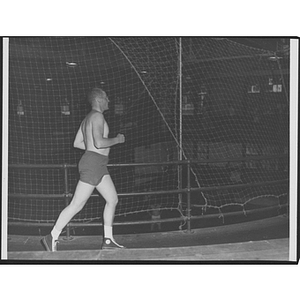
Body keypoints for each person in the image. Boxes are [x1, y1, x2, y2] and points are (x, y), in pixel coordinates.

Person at [41, 88, 125, 251]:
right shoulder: (98, 116)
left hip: (97, 164)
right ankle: (52, 236)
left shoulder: (87, 118)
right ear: (100, 99)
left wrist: (94, 150)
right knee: (77, 204)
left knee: (112, 199)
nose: (109, 101)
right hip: (93, 164)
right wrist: (117, 139)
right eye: (107, 98)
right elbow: (99, 143)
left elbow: (77, 143)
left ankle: (108, 240)